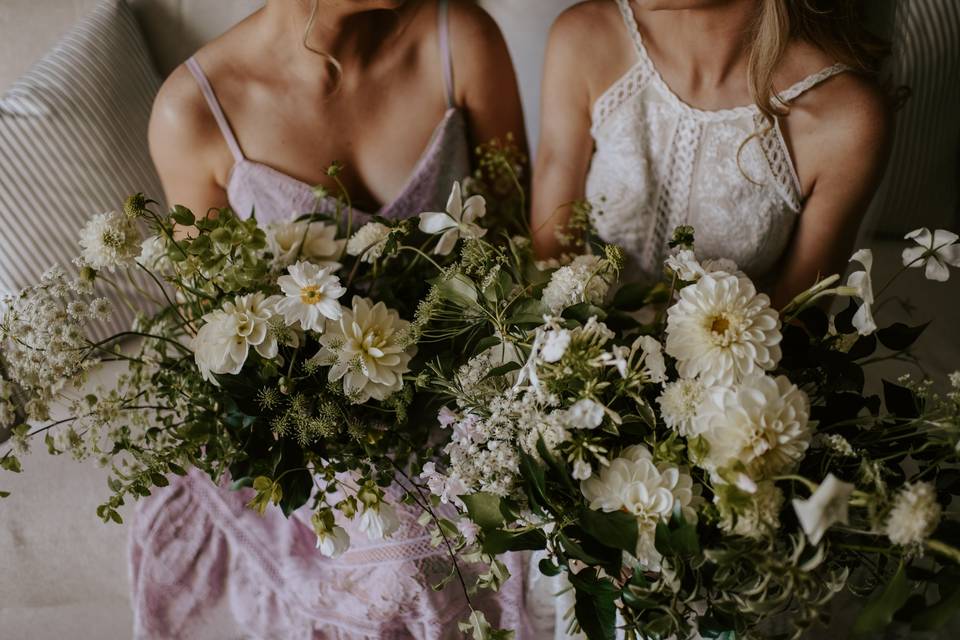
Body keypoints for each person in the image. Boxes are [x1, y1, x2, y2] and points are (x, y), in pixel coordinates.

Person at [131, 1, 529, 638]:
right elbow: (219, 343)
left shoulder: (461, 37)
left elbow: (514, 248)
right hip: (317, 429)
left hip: (471, 392)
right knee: (398, 561)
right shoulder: (196, 112)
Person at [531, 0, 892, 308]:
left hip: (743, 380)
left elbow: (799, 326)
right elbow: (546, 269)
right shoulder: (583, 38)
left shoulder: (846, 119)